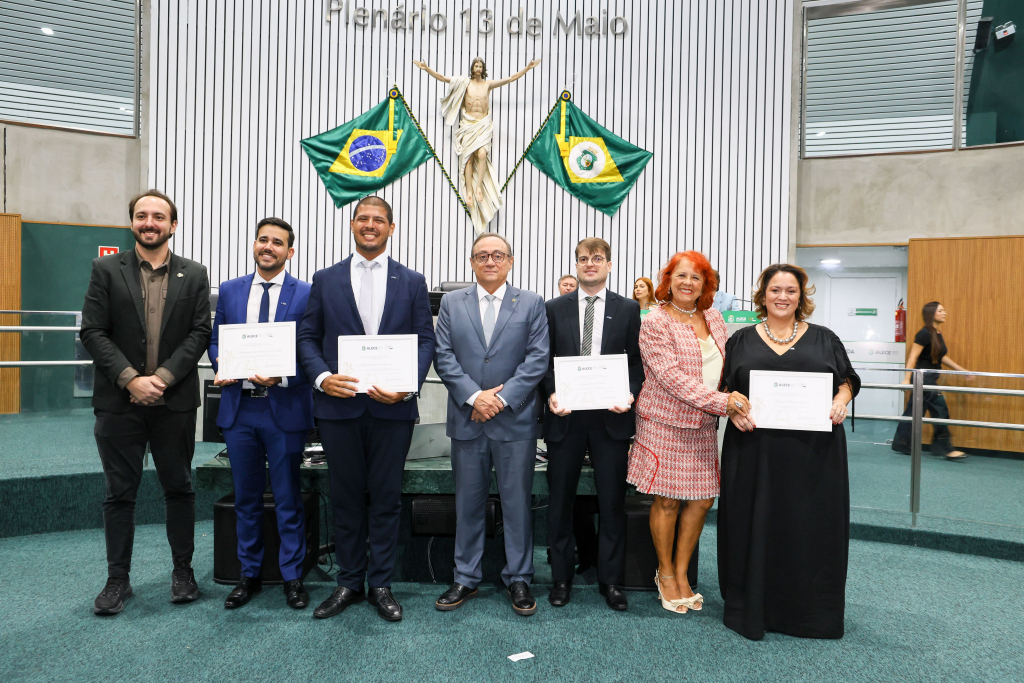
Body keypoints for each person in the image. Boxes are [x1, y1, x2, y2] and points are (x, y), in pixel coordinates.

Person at [297, 196, 436, 622]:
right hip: (339, 410)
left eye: (379, 220)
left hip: (392, 411)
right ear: (352, 224)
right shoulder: (324, 279)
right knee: (345, 498)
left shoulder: (412, 281)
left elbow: (425, 340)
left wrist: (408, 385)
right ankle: (348, 583)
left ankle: (381, 585)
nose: (370, 225)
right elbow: (307, 337)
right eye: (363, 218)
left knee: (387, 500)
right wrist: (322, 378)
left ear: (391, 228)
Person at [80, 189, 212, 615]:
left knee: (180, 489)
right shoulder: (105, 269)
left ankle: (183, 573)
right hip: (119, 404)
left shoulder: (193, 274)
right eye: (141, 216)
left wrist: (162, 378)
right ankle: (117, 580)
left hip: (173, 404)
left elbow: (199, 334)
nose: (149, 222)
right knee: (119, 494)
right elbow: (93, 332)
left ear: (173, 225)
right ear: (132, 222)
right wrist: (130, 380)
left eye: (159, 216)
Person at [717, 263, 860, 640]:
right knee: (755, 524)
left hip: (814, 454)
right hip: (754, 453)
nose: (783, 297)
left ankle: (808, 613)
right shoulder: (740, 339)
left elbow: (848, 380)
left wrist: (841, 400)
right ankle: (753, 608)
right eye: (775, 290)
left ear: (802, 296)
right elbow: (726, 389)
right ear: (762, 295)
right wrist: (732, 410)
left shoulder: (825, 338)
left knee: (808, 526)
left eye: (791, 291)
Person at [433, 232, 549, 616]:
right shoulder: (451, 302)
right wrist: (474, 397)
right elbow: (443, 354)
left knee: (517, 504)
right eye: (482, 255)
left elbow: (537, 358)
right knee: (467, 503)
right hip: (468, 418)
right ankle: (465, 577)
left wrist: (498, 399)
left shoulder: (531, 303)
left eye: (498, 255)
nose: (490, 261)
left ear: (510, 261)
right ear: (471, 262)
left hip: (513, 421)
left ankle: (519, 578)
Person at [626, 251, 749, 614]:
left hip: (703, 424)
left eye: (696, 277)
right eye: (680, 276)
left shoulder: (714, 317)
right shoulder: (655, 320)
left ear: (706, 285)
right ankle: (664, 574)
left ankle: (682, 573)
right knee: (667, 501)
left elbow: (723, 369)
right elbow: (669, 377)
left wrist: (729, 397)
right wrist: (722, 403)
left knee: (701, 500)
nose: (687, 283)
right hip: (664, 422)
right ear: (668, 280)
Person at [209, 217, 314, 610]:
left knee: (287, 499)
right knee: (246, 501)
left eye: (277, 242)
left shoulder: (306, 293)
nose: (268, 247)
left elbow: (312, 348)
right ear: (254, 244)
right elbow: (217, 338)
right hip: (239, 412)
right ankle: (248, 574)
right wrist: (222, 363)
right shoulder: (231, 290)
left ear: (290, 251)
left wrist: (282, 377)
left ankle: (292, 577)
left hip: (283, 410)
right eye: (262, 240)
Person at [544, 238, 643, 610]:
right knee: (560, 502)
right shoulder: (553, 308)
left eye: (597, 259)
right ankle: (560, 578)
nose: (590, 264)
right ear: (577, 263)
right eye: (583, 259)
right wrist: (551, 394)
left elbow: (636, 362)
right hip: (565, 417)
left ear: (609, 265)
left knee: (612, 502)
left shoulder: (629, 308)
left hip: (610, 418)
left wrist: (630, 393)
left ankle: (611, 580)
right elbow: (543, 360)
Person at [413, 56, 541, 232]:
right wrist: (426, 68)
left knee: (482, 154)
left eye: (481, 65)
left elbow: (510, 79)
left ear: (483, 68)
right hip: (468, 124)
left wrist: (528, 67)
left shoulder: (488, 84)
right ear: (472, 68)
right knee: (468, 159)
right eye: (476, 65)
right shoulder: (465, 83)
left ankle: (479, 186)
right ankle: (469, 192)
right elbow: (443, 78)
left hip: (483, 124)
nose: (478, 68)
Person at [892, 302, 970, 461]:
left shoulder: (936, 333)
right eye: (940, 310)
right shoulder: (924, 334)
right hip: (924, 380)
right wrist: (907, 379)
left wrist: (962, 370)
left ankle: (902, 443)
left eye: (944, 310)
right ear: (931, 314)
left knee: (913, 412)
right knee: (940, 411)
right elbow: (913, 357)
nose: (944, 313)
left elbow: (941, 356)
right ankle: (945, 448)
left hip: (928, 378)